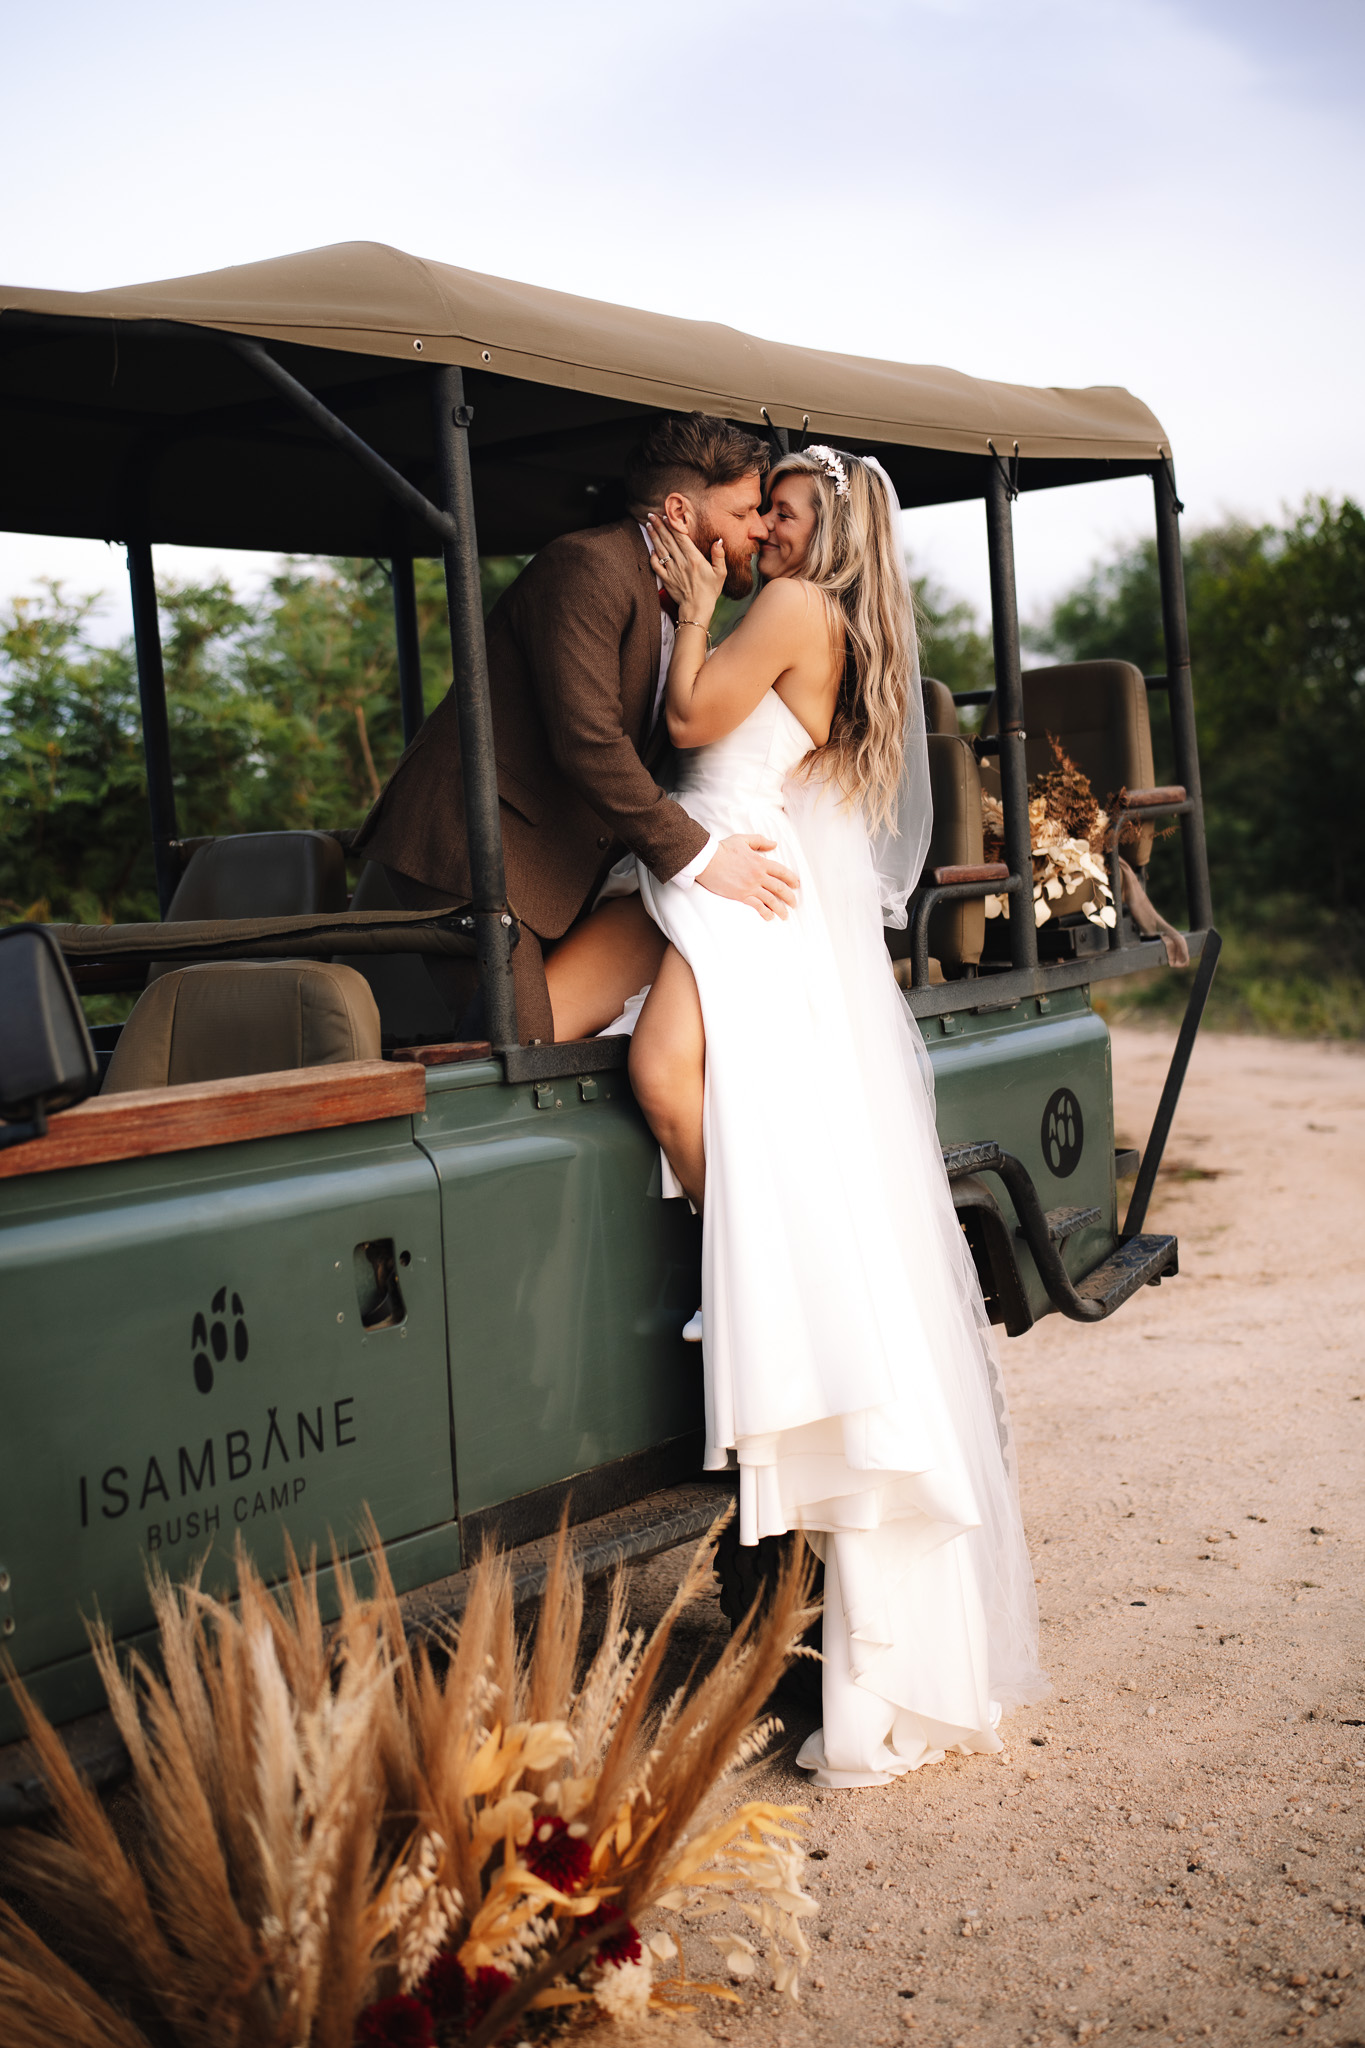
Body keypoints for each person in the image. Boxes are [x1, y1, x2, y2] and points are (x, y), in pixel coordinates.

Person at [619, 445, 1047, 1787]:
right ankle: (746, 1260)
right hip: (730, 871)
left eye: (794, 514)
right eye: (772, 513)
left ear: (838, 531)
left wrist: (689, 607)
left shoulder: (796, 610)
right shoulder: (830, 627)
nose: (774, 532)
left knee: (659, 1077)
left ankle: (730, 1259)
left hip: (717, 869)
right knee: (647, 1063)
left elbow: (688, 725)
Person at [352, 414, 800, 1045]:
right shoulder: (589, 567)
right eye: (746, 510)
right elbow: (588, 741)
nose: (760, 529)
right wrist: (702, 859)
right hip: (468, 849)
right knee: (524, 1051)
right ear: (678, 511)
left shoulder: (684, 600)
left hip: (546, 862)